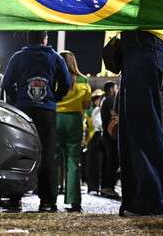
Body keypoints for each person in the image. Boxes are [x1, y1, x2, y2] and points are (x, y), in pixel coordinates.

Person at [2, 31, 72, 212]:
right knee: (48, 154)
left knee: (19, 151)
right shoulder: (55, 58)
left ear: (28, 39)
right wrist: (54, 98)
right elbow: (66, 83)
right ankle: (47, 201)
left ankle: (15, 198)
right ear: (45, 39)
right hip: (46, 111)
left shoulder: (18, 57)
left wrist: (17, 99)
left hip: (23, 110)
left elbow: (7, 83)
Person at [117, 31, 163, 216]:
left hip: (144, 42)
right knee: (132, 127)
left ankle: (153, 200)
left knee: (142, 126)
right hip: (136, 44)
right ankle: (139, 200)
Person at [55, 50, 91, 212]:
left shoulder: (54, 77)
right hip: (74, 120)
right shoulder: (83, 80)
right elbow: (86, 105)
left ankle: (50, 198)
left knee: (54, 160)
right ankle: (74, 200)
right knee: (73, 160)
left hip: (55, 119)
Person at [99, 81, 120, 199]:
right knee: (112, 161)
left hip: (106, 135)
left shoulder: (104, 100)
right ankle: (108, 187)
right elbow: (115, 115)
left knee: (108, 161)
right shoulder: (110, 100)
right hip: (111, 135)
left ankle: (106, 186)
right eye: (116, 88)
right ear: (111, 89)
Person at [84, 89, 106, 195]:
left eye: (99, 98)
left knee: (101, 163)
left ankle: (99, 187)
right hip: (95, 137)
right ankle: (93, 187)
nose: (98, 100)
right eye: (96, 98)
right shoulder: (93, 111)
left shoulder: (98, 109)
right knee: (94, 164)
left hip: (99, 137)